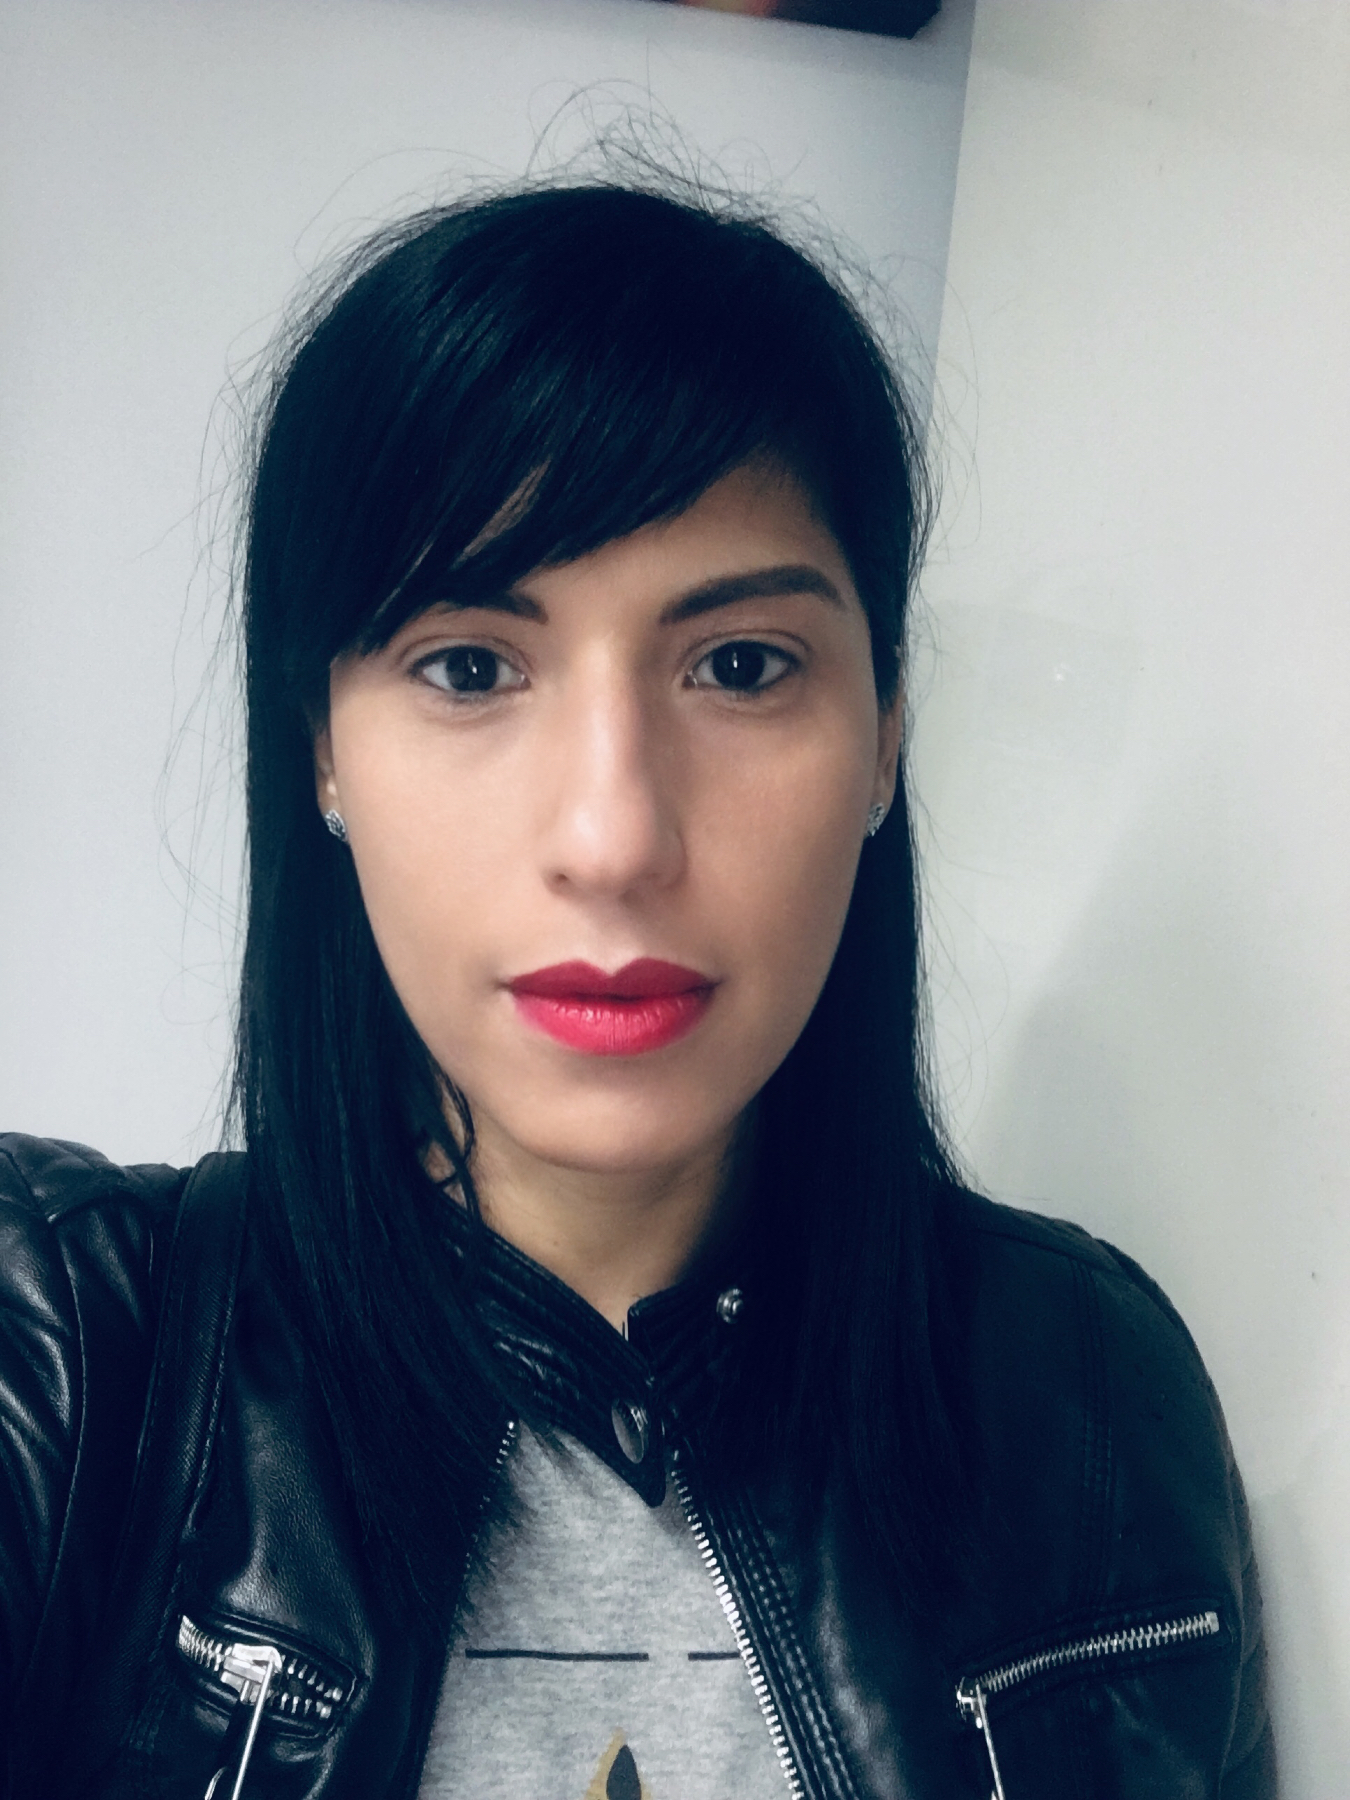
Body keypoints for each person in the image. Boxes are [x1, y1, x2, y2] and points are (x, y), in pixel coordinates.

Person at [0, 180, 1273, 1800]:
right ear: (320, 748)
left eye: (738, 666)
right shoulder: (64, 1350)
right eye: (469, 667)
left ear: (885, 736)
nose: (611, 839)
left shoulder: (1088, 1388)